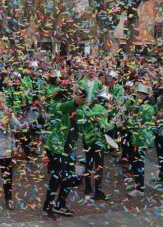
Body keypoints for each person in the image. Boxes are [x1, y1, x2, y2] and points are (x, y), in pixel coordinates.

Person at [41, 78, 87, 220]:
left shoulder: (75, 109)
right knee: (56, 177)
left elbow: (82, 117)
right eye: (73, 94)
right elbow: (65, 106)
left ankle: (60, 204)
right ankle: (47, 207)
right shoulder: (55, 106)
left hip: (69, 148)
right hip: (56, 148)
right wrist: (74, 103)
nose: (76, 96)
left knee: (69, 177)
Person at [78, 91, 114, 200]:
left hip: (87, 140)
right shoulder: (102, 110)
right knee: (99, 166)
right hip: (98, 141)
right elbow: (104, 127)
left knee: (88, 163)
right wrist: (114, 124)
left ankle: (88, 188)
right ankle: (98, 192)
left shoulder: (86, 108)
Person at [126, 84, 156, 197]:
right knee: (136, 162)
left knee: (139, 163)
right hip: (138, 137)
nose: (137, 95)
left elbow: (136, 122)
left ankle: (140, 188)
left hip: (141, 138)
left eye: (138, 93)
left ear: (143, 95)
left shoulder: (145, 107)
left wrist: (127, 121)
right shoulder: (142, 105)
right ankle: (137, 184)